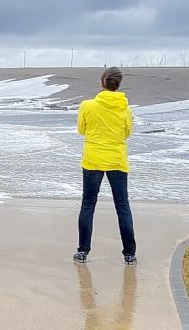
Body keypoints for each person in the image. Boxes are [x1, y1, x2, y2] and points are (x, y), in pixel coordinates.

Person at [74, 67, 137, 265]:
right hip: (117, 160)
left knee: (88, 204)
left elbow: (81, 130)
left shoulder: (87, 105)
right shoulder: (125, 108)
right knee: (122, 206)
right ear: (118, 84)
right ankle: (129, 254)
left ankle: (83, 251)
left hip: (93, 159)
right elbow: (127, 133)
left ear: (102, 82)